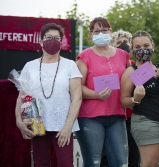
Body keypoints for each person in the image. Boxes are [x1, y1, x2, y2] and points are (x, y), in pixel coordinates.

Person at [15, 23, 82, 167]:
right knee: (41, 163)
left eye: (57, 38)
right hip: (37, 123)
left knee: (65, 164)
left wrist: (68, 126)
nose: (52, 41)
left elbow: (77, 97)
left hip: (63, 124)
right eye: (48, 37)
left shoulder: (70, 65)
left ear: (61, 42)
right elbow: (21, 95)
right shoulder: (30, 66)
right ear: (40, 41)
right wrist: (18, 121)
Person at [120, 30, 159, 167]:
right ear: (132, 50)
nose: (142, 50)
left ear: (153, 46)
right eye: (137, 47)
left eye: (146, 46)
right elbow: (123, 100)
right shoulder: (131, 71)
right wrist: (135, 99)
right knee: (150, 164)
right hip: (146, 121)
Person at [75, 17, 129, 167]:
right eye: (96, 31)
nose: (101, 33)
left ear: (111, 32)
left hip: (116, 116)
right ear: (90, 35)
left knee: (121, 163)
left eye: (104, 30)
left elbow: (131, 79)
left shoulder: (123, 55)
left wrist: (151, 71)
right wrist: (96, 95)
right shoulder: (84, 56)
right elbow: (76, 87)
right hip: (89, 117)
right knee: (93, 163)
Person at [100, 29, 140, 167]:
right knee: (107, 156)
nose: (123, 44)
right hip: (111, 116)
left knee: (133, 156)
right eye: (119, 42)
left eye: (126, 42)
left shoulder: (137, 65)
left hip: (132, 117)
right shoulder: (107, 65)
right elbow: (101, 87)